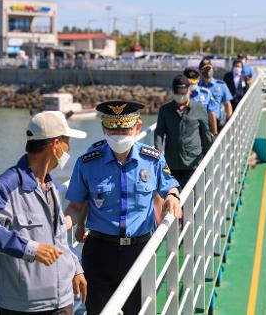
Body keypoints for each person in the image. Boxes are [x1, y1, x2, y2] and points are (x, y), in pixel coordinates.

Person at [64, 101, 182, 315]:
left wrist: (172, 196)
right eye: (113, 128)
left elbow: (169, 184)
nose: (118, 134)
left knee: (136, 310)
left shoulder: (152, 159)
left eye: (124, 128)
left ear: (137, 127)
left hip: (139, 251)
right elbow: (75, 204)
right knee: (97, 310)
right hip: (99, 250)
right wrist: (63, 224)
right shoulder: (88, 162)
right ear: (103, 129)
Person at [0, 111, 88, 315]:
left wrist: (76, 267)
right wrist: (30, 249)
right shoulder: (8, 185)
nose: (69, 148)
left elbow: (59, 237)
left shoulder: (50, 185)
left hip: (63, 300)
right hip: (23, 306)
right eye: (67, 141)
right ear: (55, 145)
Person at [155, 74, 213, 188]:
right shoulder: (165, 110)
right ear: (173, 91)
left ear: (189, 90)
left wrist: (209, 156)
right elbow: (159, 133)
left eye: (183, 93)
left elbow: (205, 134)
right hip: (172, 163)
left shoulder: (200, 109)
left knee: (193, 197)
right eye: (178, 93)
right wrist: (158, 155)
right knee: (174, 197)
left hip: (193, 162)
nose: (181, 96)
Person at [199, 64, 233, 136]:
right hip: (201, 122)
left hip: (218, 121)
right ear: (200, 72)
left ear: (213, 71)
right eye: (205, 70)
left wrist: (229, 120)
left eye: (209, 70)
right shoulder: (197, 86)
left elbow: (227, 104)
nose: (207, 72)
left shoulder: (221, 85)